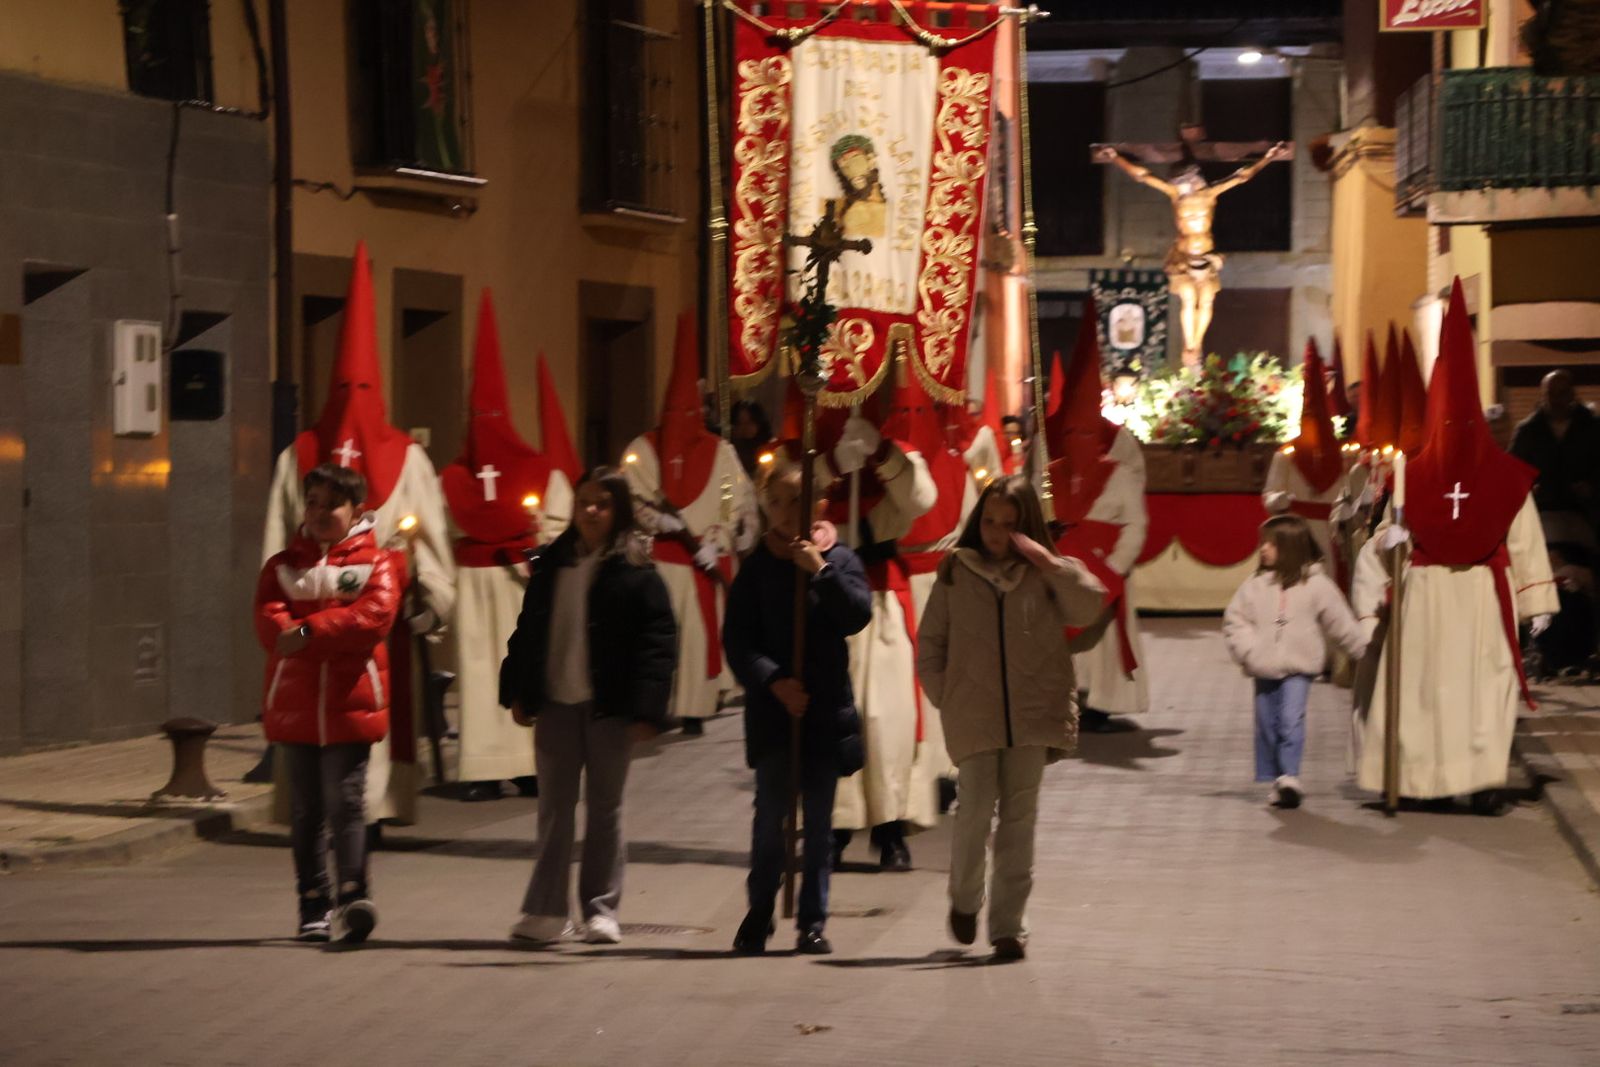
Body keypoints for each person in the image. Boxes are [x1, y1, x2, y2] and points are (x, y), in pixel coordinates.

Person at [263, 242, 454, 827]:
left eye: (361, 393)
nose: (352, 413)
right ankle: (336, 834)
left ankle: (357, 832)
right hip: (312, 623)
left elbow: (433, 545)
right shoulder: (299, 455)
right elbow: (275, 547)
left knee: (368, 729)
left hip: (376, 625)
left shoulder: (406, 456)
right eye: (346, 392)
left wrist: (428, 601)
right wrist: (278, 618)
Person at [1353, 281, 1558, 814]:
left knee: (1481, 693)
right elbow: (1386, 539)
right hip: (1426, 597)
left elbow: (1524, 538)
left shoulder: (1503, 478)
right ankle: (1420, 781)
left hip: (1483, 600)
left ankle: (1482, 779)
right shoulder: (1411, 476)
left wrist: (1536, 601)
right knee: (1424, 693)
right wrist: (1387, 541)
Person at [916, 475, 1106, 961]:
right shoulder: (957, 570)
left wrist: (1048, 562)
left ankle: (1008, 927)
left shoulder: (1046, 572)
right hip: (973, 714)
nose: (998, 533)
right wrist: (947, 697)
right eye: (990, 521)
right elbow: (931, 644)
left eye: (1009, 524)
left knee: (1020, 819)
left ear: (1027, 527)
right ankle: (963, 898)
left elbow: (1089, 607)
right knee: (975, 812)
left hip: (1031, 715)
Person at [500, 467, 678, 945]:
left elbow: (658, 640)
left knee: (605, 808)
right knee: (555, 809)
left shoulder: (636, 568)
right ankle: (545, 911)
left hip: (610, 707)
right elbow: (529, 630)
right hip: (557, 701)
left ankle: (600, 909)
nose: (592, 511)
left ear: (617, 509)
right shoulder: (553, 563)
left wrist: (647, 708)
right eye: (584, 502)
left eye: (601, 503)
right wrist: (517, 688)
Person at [724, 460, 872, 956]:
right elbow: (739, 640)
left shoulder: (840, 559)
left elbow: (856, 615)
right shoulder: (757, 566)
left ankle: (813, 918)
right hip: (774, 715)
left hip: (823, 714)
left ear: (819, 506)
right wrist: (772, 682)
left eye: (799, 501)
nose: (788, 512)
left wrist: (821, 572)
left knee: (820, 826)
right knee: (770, 823)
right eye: (779, 502)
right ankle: (759, 911)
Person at [255, 464, 402, 943]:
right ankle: (312, 903)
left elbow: (373, 618)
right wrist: (304, 634)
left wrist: (311, 630)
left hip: (350, 703)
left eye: (331, 504)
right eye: (312, 502)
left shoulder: (376, 563)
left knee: (346, 803)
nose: (319, 513)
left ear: (356, 511)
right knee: (305, 810)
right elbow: (269, 624)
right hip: (295, 705)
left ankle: (354, 895)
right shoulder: (283, 565)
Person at [441, 292, 572, 802]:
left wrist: (541, 541)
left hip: (519, 578)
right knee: (476, 671)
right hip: (474, 580)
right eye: (478, 416)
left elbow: (558, 521)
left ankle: (524, 764)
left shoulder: (537, 467)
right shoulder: (452, 476)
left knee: (523, 664)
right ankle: (479, 769)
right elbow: (440, 525)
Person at [623, 313, 757, 735]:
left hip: (701, 561)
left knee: (699, 640)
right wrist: (655, 519)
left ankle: (697, 707)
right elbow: (631, 497)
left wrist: (715, 539)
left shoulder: (720, 453)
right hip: (659, 564)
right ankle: (657, 706)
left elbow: (729, 501)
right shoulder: (643, 449)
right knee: (662, 640)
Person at [1044, 311, 1150, 733]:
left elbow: (1135, 521)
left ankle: (1100, 701)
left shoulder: (1119, 468)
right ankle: (1063, 699)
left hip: (1106, 567)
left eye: (1087, 435)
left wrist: (1117, 565)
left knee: (1101, 642)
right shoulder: (1049, 468)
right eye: (1072, 434)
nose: (1079, 442)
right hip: (1063, 567)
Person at [1222, 516, 1367, 809]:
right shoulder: (1255, 585)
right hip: (1264, 665)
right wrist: (1249, 650)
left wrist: (1363, 649)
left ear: (1290, 548)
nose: (1263, 549)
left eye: (1271, 544)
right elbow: (1234, 620)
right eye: (1262, 542)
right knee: (1267, 724)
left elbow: (1339, 621)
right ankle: (1277, 778)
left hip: (1299, 667)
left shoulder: (1316, 585)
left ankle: (1290, 776)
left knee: (1290, 719)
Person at [1512, 368, 1600, 539]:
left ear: (1572, 394)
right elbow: (1514, 470)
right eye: (1551, 393)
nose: (1556, 400)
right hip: (1542, 511)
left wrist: (1592, 487)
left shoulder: (1592, 428)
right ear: (1543, 395)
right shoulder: (1528, 431)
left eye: (1562, 393)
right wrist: (1529, 488)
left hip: (1585, 513)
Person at [731, 399, 773, 477]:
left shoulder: (767, 446)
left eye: (750, 422)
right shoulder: (731, 449)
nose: (745, 427)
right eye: (740, 423)